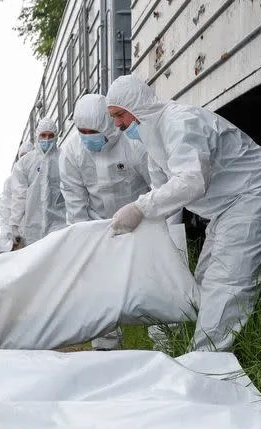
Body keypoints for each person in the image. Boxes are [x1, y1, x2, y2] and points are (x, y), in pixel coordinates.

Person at [106, 74, 261, 351]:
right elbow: (165, 199)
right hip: (228, 208)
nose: (118, 125)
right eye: (113, 118)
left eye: (120, 115)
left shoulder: (179, 122)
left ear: (136, 105)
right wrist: (160, 247)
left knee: (224, 284)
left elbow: (192, 180)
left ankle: (205, 367)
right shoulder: (152, 139)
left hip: (255, 195)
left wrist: (139, 207)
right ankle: (198, 354)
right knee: (203, 280)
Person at [59, 94, 152, 350]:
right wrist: (82, 243)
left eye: (93, 131)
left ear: (108, 125)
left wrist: (153, 220)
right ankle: (106, 350)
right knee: (101, 291)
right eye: (82, 131)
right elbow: (76, 205)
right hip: (100, 231)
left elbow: (159, 185)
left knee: (154, 285)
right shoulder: (71, 152)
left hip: (142, 223)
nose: (87, 136)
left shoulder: (134, 143)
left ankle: (166, 345)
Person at [9, 118, 67, 246]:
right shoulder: (25, 162)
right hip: (33, 226)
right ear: (37, 136)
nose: (46, 139)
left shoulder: (64, 158)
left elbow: (73, 190)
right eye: (43, 135)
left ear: (56, 136)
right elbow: (19, 195)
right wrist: (15, 223)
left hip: (59, 222)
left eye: (50, 135)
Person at [0, 140, 34, 244]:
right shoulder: (10, 182)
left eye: (28, 156)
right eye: (22, 156)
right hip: (17, 233)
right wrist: (9, 233)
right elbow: (5, 210)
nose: (24, 159)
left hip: (35, 232)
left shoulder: (39, 179)